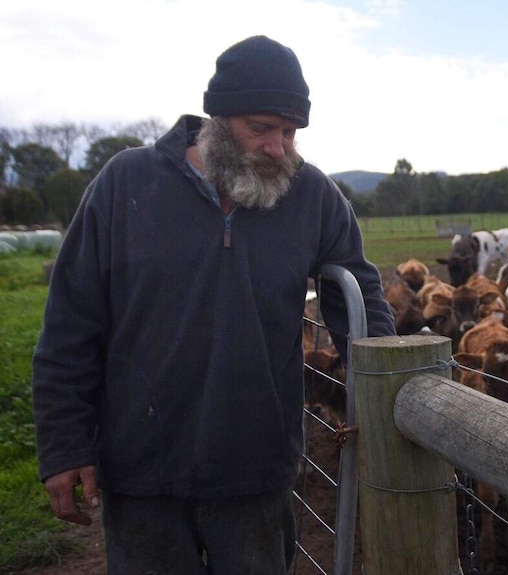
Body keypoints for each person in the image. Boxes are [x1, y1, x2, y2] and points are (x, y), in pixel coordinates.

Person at [31, 35, 396, 574]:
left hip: (256, 474)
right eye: (261, 128)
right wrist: (64, 446)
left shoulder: (311, 195)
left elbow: (361, 299)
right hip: (140, 475)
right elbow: (69, 325)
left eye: (290, 132)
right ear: (217, 120)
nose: (279, 147)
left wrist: (396, 392)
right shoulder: (124, 184)